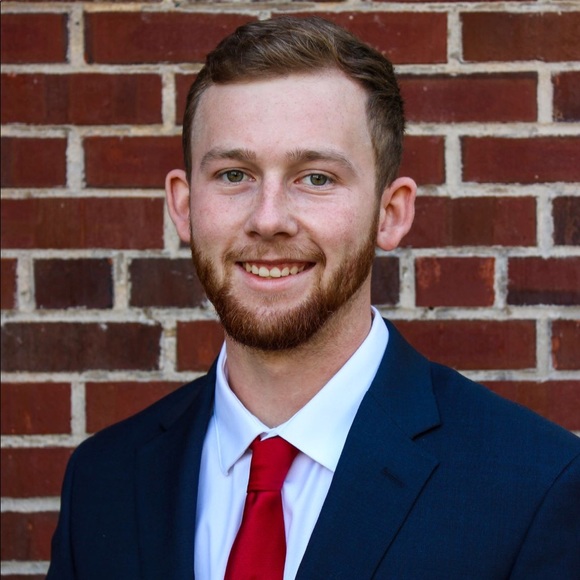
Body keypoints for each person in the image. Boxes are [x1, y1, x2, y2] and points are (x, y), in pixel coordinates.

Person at [47, 16, 579, 579]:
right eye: (234, 175)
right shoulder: (102, 481)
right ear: (184, 206)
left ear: (390, 213)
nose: (268, 218)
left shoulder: (534, 488)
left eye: (317, 178)